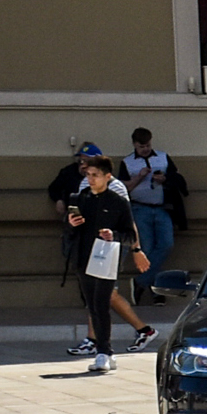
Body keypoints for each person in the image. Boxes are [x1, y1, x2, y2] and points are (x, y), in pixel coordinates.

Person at [64, 158, 147, 374]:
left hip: (107, 259)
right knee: (91, 304)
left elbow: (130, 234)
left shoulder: (118, 202)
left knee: (101, 304)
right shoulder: (80, 198)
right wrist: (71, 225)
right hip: (83, 258)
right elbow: (69, 233)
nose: (90, 179)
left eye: (95, 175)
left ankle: (104, 351)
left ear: (107, 177)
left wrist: (114, 235)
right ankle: (105, 352)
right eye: (88, 175)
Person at [121, 127, 174, 304]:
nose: (145, 149)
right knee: (147, 249)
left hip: (161, 207)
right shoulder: (127, 162)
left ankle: (140, 282)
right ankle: (155, 291)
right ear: (134, 145)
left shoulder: (163, 157)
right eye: (141, 146)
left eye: (148, 145)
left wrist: (164, 179)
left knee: (166, 244)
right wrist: (139, 177)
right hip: (139, 208)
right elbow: (123, 188)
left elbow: (177, 178)